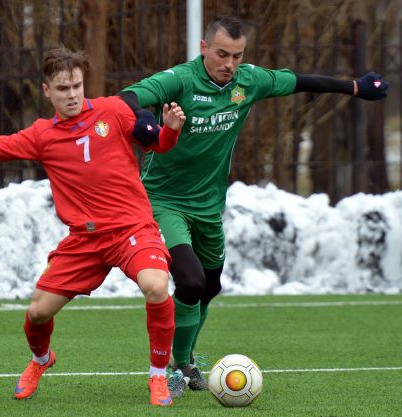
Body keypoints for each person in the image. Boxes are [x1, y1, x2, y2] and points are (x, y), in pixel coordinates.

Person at [0, 46, 187, 406]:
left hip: (132, 228)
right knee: (37, 312)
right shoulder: (41, 135)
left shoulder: (113, 111)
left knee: (156, 286)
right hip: (84, 239)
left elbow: (158, 144)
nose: (72, 95)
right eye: (63, 89)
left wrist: (171, 131)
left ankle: (158, 377)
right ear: (47, 91)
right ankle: (41, 360)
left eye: (77, 86)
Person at [118, 15, 389, 395]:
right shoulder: (178, 80)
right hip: (163, 203)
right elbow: (125, 99)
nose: (229, 63)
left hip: (209, 206)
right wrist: (144, 117)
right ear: (204, 49)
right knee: (191, 281)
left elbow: (297, 82)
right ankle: (178, 367)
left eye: (237, 55)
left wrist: (356, 87)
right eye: (222, 54)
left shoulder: (247, 81)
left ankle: (187, 357)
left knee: (210, 285)